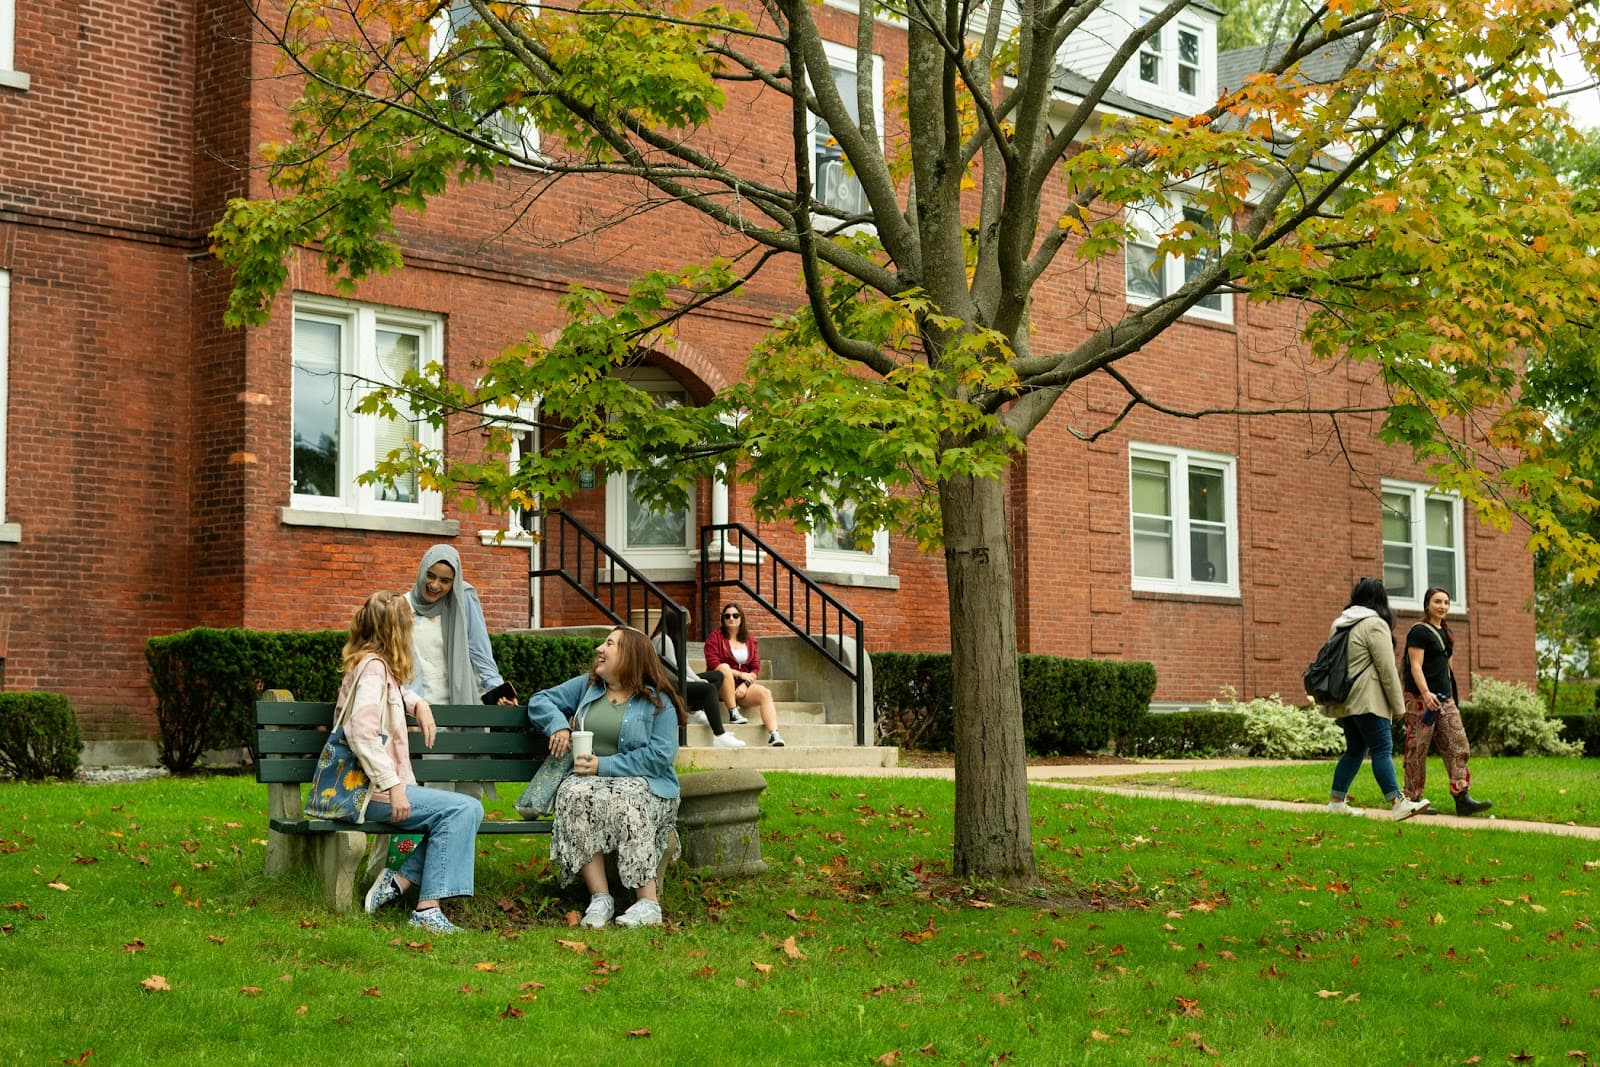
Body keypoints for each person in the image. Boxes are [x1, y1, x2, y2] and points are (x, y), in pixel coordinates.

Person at [341, 590, 484, 935]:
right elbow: (361, 733)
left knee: (464, 811)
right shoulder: (373, 670)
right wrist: (393, 786)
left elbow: (393, 693)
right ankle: (425, 907)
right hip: (370, 794)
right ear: (397, 632)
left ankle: (400, 881)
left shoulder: (374, 667)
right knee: (462, 810)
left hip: (373, 790)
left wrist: (418, 702)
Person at [526, 627, 683, 928]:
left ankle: (648, 902)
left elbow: (660, 756)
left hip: (647, 785)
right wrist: (559, 725)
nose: (600, 648)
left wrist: (604, 765)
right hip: (591, 783)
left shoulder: (657, 701)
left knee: (628, 799)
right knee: (572, 794)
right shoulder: (587, 687)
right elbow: (540, 700)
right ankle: (600, 898)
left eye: (610, 643)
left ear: (630, 655)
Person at [406, 544, 516, 801]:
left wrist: (497, 690)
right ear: (422, 571)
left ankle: (469, 828)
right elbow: (404, 665)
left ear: (454, 582)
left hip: (468, 704)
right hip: (430, 711)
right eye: (430, 575)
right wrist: (412, 708)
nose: (435, 585)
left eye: (445, 581)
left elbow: (479, 650)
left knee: (470, 786)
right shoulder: (404, 606)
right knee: (438, 786)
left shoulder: (463, 599)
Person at [1321, 578, 1431, 821]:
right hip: (1368, 699)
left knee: (1355, 750)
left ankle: (1336, 802)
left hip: (1344, 697)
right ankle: (1397, 803)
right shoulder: (1375, 624)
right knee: (1382, 748)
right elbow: (1387, 669)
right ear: (1381, 599)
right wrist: (1399, 706)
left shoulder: (1340, 623)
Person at [1402, 586, 1493, 816]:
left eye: (1446, 602)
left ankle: (1462, 798)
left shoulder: (1446, 633)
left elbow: (1447, 668)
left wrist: (1451, 694)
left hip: (1445, 699)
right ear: (1427, 604)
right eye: (1437, 602)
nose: (1442, 606)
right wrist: (1425, 693)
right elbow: (1415, 666)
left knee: (1458, 744)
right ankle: (1413, 799)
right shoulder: (1419, 631)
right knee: (1417, 748)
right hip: (1421, 700)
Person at [650, 616, 745, 748]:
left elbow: (685, 668)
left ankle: (693, 711)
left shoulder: (675, 638)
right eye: (686, 622)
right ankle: (719, 735)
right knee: (709, 689)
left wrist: (699, 680)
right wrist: (698, 684)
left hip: (678, 681)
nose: (688, 625)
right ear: (676, 622)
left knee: (717, 676)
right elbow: (672, 674)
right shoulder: (663, 640)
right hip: (669, 686)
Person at [703, 603, 785, 747]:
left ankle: (774, 734)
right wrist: (740, 674)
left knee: (765, 693)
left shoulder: (750, 640)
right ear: (723, 619)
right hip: (720, 686)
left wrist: (745, 685)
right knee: (724, 667)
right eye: (727, 616)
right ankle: (733, 712)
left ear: (741, 618)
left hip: (741, 687)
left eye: (735, 615)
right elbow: (713, 664)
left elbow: (755, 668)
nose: (731, 619)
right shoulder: (715, 638)